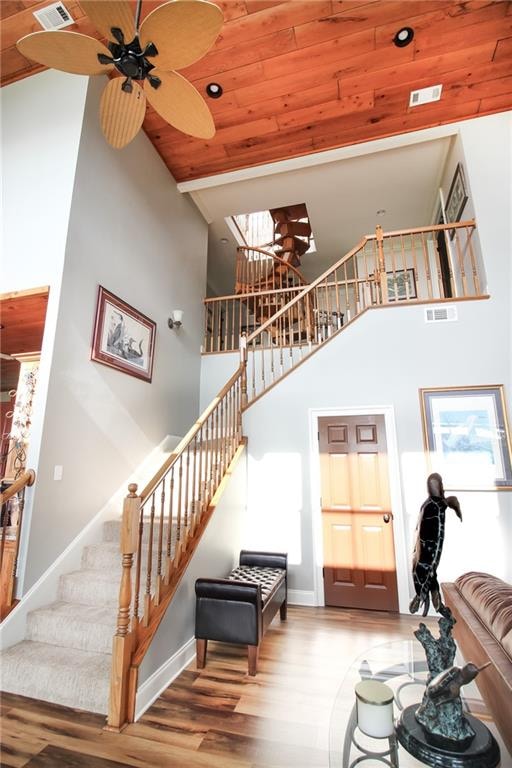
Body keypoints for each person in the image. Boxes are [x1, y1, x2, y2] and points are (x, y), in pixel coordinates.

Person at [409, 473, 462, 617]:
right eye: (441, 485)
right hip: (428, 553)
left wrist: (456, 508)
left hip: (422, 554)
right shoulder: (438, 504)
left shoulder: (426, 504)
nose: (443, 489)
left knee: (431, 575)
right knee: (431, 573)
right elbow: (452, 500)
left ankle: (427, 597)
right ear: (438, 487)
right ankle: (424, 596)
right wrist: (457, 509)